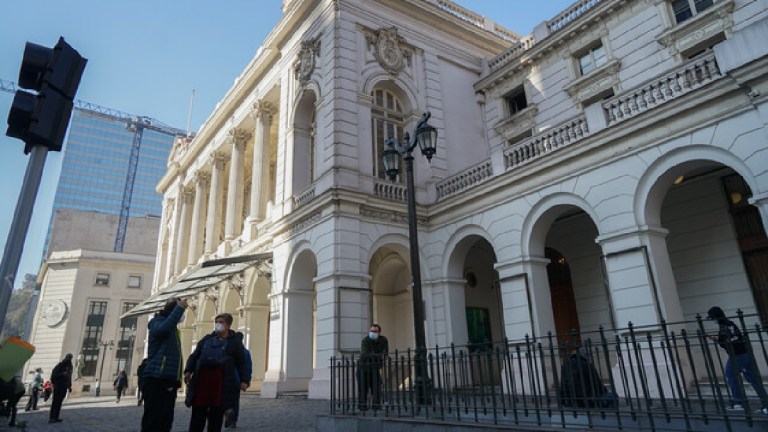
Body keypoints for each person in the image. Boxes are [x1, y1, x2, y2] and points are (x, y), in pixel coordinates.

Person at [184, 313, 250, 432]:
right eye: (216, 322)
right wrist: (188, 370)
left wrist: (245, 380)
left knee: (216, 418)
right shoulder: (207, 339)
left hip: (221, 384)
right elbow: (194, 356)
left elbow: (242, 362)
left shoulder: (234, 342)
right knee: (197, 417)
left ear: (228, 325)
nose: (218, 324)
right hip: (202, 383)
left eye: (221, 322)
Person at [708, 306, 768, 412]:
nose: (713, 320)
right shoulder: (728, 324)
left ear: (716, 316)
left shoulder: (725, 325)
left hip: (737, 355)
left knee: (731, 375)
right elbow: (727, 338)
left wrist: (715, 338)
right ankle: (765, 403)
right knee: (754, 379)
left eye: (713, 318)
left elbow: (726, 341)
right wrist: (715, 338)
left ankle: (739, 403)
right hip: (743, 353)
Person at [141, 298, 188, 432]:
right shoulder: (157, 322)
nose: (183, 316)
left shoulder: (172, 328)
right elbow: (162, 329)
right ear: (173, 312)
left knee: (165, 421)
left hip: (168, 381)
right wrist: (179, 308)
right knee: (153, 420)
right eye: (181, 311)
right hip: (157, 379)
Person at [358, 324, 388, 410]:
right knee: (363, 388)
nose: (372, 333)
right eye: (371, 331)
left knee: (376, 387)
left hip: (375, 368)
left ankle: (376, 406)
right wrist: (379, 357)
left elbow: (385, 354)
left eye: (375, 331)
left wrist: (379, 356)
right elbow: (365, 354)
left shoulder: (383, 340)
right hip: (364, 367)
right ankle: (362, 406)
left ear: (379, 333)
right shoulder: (365, 340)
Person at [225, 347, 252, 428]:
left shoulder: (229, 349)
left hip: (228, 378)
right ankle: (234, 420)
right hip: (238, 380)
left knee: (226, 397)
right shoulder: (246, 352)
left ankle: (227, 410)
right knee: (236, 399)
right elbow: (248, 367)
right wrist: (247, 380)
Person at [49, 353, 73, 423]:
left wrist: (69, 386)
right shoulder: (60, 365)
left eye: (71, 358)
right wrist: (62, 374)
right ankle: (52, 417)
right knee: (55, 402)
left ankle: (56, 416)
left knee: (59, 403)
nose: (69, 359)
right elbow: (54, 375)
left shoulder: (70, 366)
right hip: (58, 386)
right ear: (66, 357)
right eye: (69, 358)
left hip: (64, 386)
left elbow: (69, 377)